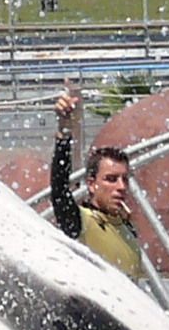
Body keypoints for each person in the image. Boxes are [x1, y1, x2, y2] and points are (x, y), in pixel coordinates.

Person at [51, 85, 151, 287]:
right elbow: (59, 189)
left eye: (125, 179)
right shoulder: (79, 222)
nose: (121, 187)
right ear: (91, 184)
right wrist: (64, 130)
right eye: (111, 179)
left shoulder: (126, 227)